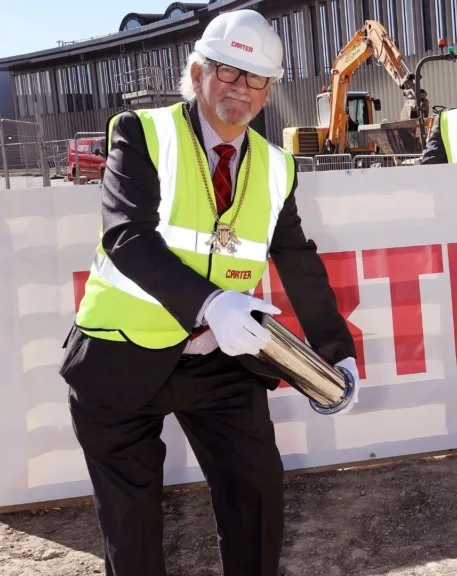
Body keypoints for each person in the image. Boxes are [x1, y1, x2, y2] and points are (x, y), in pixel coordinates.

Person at [59, 9, 360, 576]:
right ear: (197, 72)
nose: (239, 90)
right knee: (134, 534)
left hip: (220, 362)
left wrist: (336, 349)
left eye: (255, 80)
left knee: (258, 501)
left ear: (269, 91)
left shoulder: (276, 167)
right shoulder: (141, 133)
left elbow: (296, 259)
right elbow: (126, 236)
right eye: (227, 72)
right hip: (120, 357)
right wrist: (212, 304)